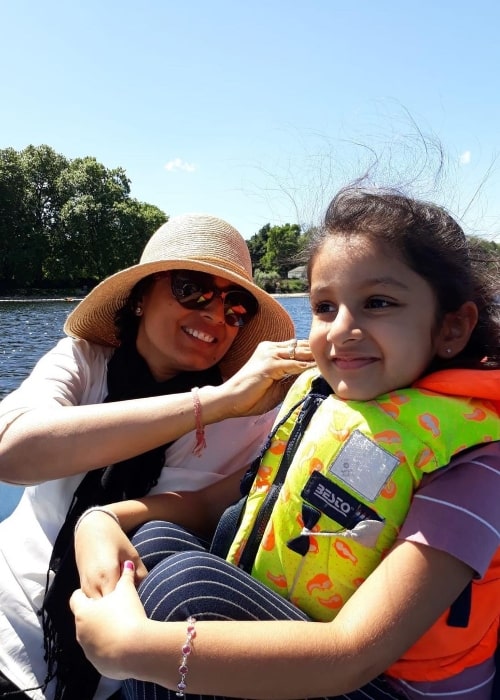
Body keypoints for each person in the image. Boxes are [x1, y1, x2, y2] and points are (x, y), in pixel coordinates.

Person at [70, 187, 500, 700]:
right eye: (324, 306)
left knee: (184, 588)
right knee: (155, 542)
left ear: (451, 328)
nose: (341, 330)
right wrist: (103, 518)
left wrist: (130, 648)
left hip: (384, 684)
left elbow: (352, 653)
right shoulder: (322, 404)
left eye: (378, 303)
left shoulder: (474, 462)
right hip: (321, 648)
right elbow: (216, 501)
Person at [0, 212, 316, 700]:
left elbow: (219, 509)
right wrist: (213, 403)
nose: (215, 315)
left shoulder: (254, 417)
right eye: (193, 289)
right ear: (142, 297)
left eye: (236, 308)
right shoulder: (84, 361)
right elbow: (13, 453)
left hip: (126, 674)